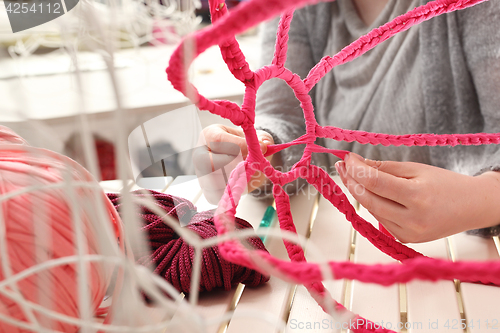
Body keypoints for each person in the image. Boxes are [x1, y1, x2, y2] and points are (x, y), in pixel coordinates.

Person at [196, 0, 500, 243]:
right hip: (335, 242)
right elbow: (281, 119)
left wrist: (480, 201)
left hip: (468, 256)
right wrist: (256, 151)